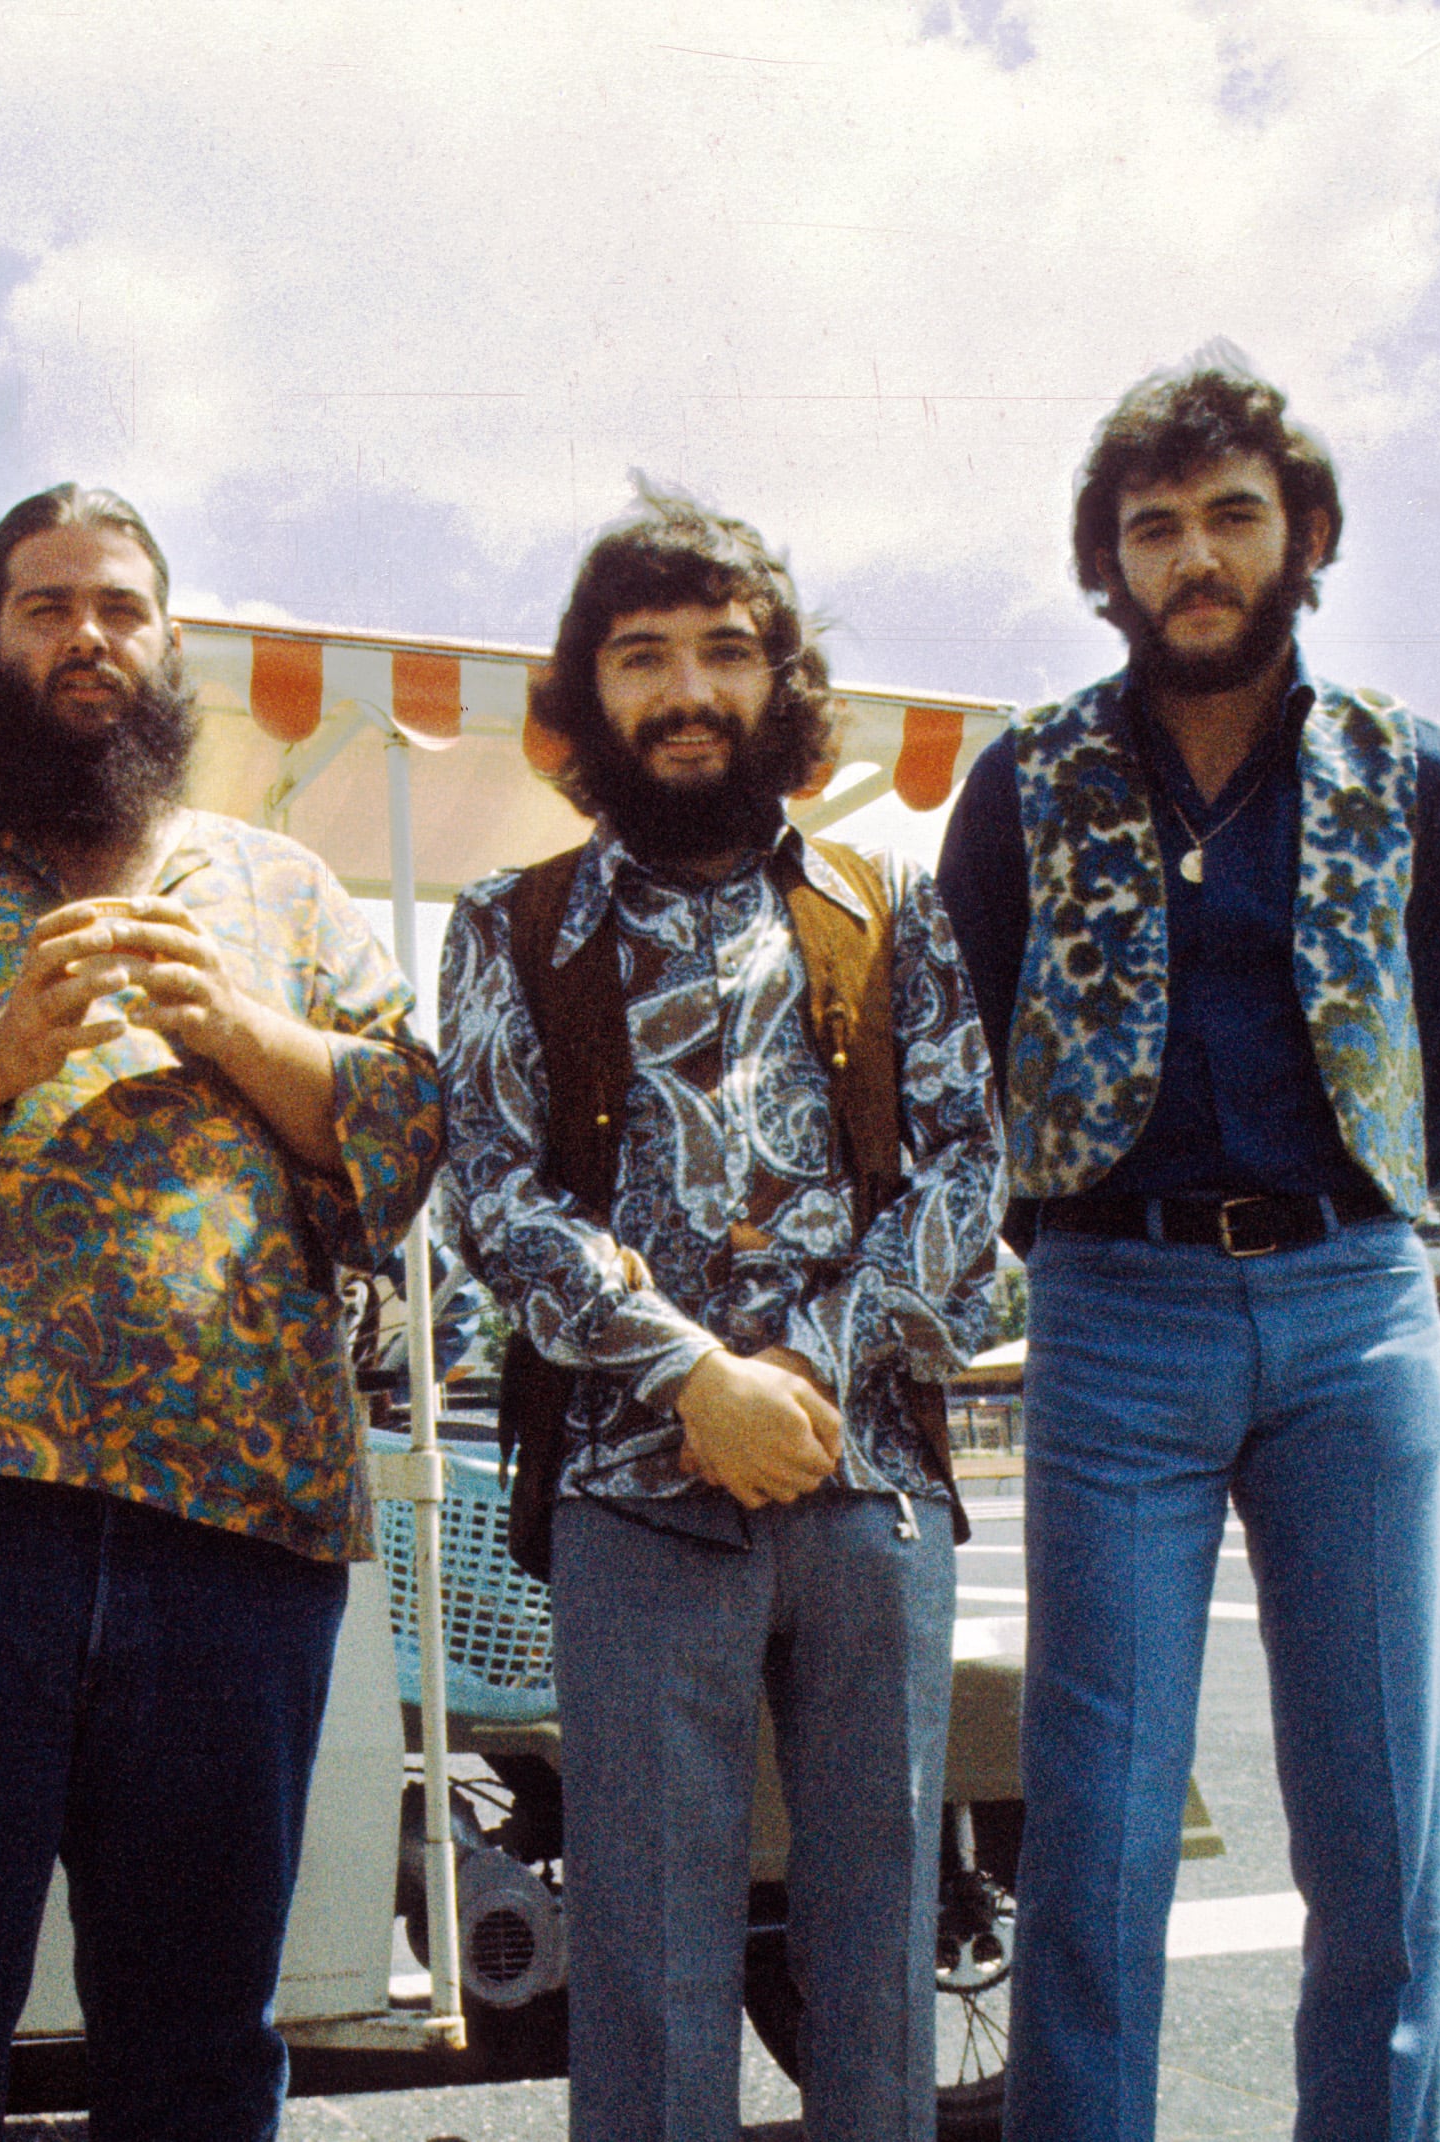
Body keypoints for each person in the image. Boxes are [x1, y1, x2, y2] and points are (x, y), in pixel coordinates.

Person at [0, 482, 443, 2141]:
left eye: (115, 606)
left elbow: (407, 1136)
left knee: (195, 2048)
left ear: (169, 642)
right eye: (42, 607)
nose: (82, 638)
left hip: (225, 1547)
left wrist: (240, 1028)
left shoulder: (287, 894)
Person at [935, 346, 1440, 2142]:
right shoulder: (1021, 780)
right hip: (1115, 1308)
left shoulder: (1408, 771)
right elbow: (964, 1041)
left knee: (1372, 1809)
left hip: (1350, 1304)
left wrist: (1353, 1205)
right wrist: (1062, 1232)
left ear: (1303, 537)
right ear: (1105, 565)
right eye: (1152, 528)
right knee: (1094, 1812)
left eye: (1231, 520)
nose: (1193, 557)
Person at [441, 484, 1003, 2142]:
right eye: (640, 657)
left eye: (723, 652)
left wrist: (798, 1376)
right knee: (649, 1963)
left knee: (877, 1954)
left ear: (781, 683)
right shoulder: (511, 922)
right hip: (630, 1498)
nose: (684, 689)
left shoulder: (887, 910)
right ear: (588, 694)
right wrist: (690, 1376)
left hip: (872, 1491)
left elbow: (972, 1176)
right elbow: (489, 1191)